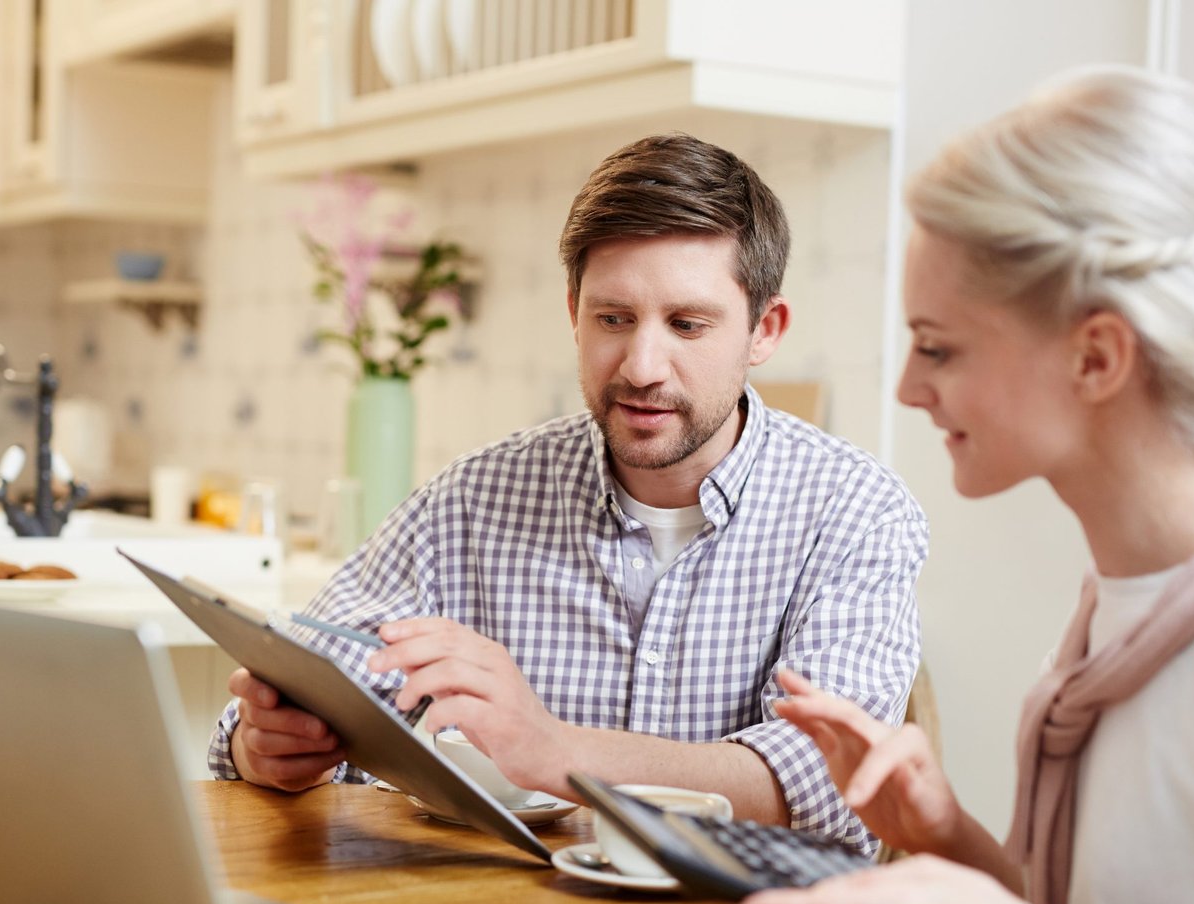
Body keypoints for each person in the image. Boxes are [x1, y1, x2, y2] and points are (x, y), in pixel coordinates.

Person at [740, 66, 1194, 904]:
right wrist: (949, 835)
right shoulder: (1117, 608)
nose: (909, 388)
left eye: (938, 347)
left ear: (1095, 358)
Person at [210, 132, 929, 852]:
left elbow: (830, 785)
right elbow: (309, 681)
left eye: (687, 324)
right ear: (573, 311)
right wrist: (265, 745)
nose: (643, 365)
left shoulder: (856, 511)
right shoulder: (475, 498)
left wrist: (551, 748)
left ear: (764, 329)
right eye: (613, 318)